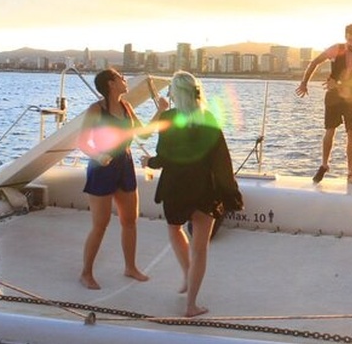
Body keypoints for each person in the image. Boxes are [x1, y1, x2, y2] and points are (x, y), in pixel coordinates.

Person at [142, 71, 244, 317]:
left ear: (175, 94)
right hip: (203, 189)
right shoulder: (207, 118)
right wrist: (231, 194)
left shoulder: (168, 117)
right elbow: (222, 162)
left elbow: (164, 157)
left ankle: (187, 278)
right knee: (200, 249)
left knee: (175, 230)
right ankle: (191, 304)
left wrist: (149, 162)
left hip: (175, 188)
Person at [77, 68, 167, 290]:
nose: (125, 80)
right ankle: (86, 273)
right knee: (101, 224)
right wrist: (98, 155)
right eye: (120, 78)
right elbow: (82, 142)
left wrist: (162, 111)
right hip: (102, 168)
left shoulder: (126, 107)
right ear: (110, 84)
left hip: (124, 165)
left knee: (129, 221)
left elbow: (144, 133)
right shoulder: (96, 110)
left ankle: (131, 267)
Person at [295, 24, 352, 185]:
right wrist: (304, 83)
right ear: (345, 37)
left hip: (351, 98)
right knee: (330, 130)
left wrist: (339, 84)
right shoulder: (336, 49)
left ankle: (350, 172)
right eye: (349, 39)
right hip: (334, 97)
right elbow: (315, 62)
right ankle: (324, 165)